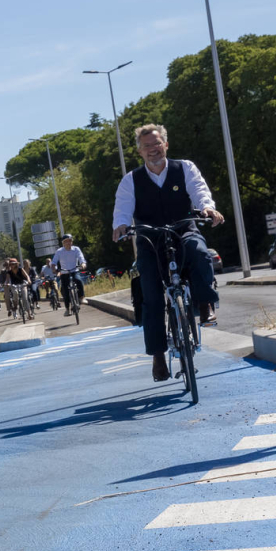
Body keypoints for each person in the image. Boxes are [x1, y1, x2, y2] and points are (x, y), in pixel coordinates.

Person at [111, 123, 224, 382]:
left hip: (182, 230)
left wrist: (207, 208)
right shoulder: (131, 180)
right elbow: (123, 208)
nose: (153, 149)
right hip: (150, 239)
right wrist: (120, 225)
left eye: (157, 143)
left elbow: (199, 191)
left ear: (166, 144)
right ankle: (158, 357)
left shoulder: (184, 167)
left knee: (199, 251)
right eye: (147, 146)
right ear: (140, 151)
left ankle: (205, 305)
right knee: (150, 294)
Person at [51, 235, 88, 307]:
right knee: (65, 290)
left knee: (79, 280)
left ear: (72, 242)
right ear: (63, 243)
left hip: (74, 270)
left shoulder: (76, 249)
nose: (68, 243)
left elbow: (81, 257)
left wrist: (83, 264)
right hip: (64, 272)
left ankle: (82, 297)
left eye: (70, 241)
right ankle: (67, 309)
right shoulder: (59, 251)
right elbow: (54, 262)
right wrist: (54, 268)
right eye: (66, 241)